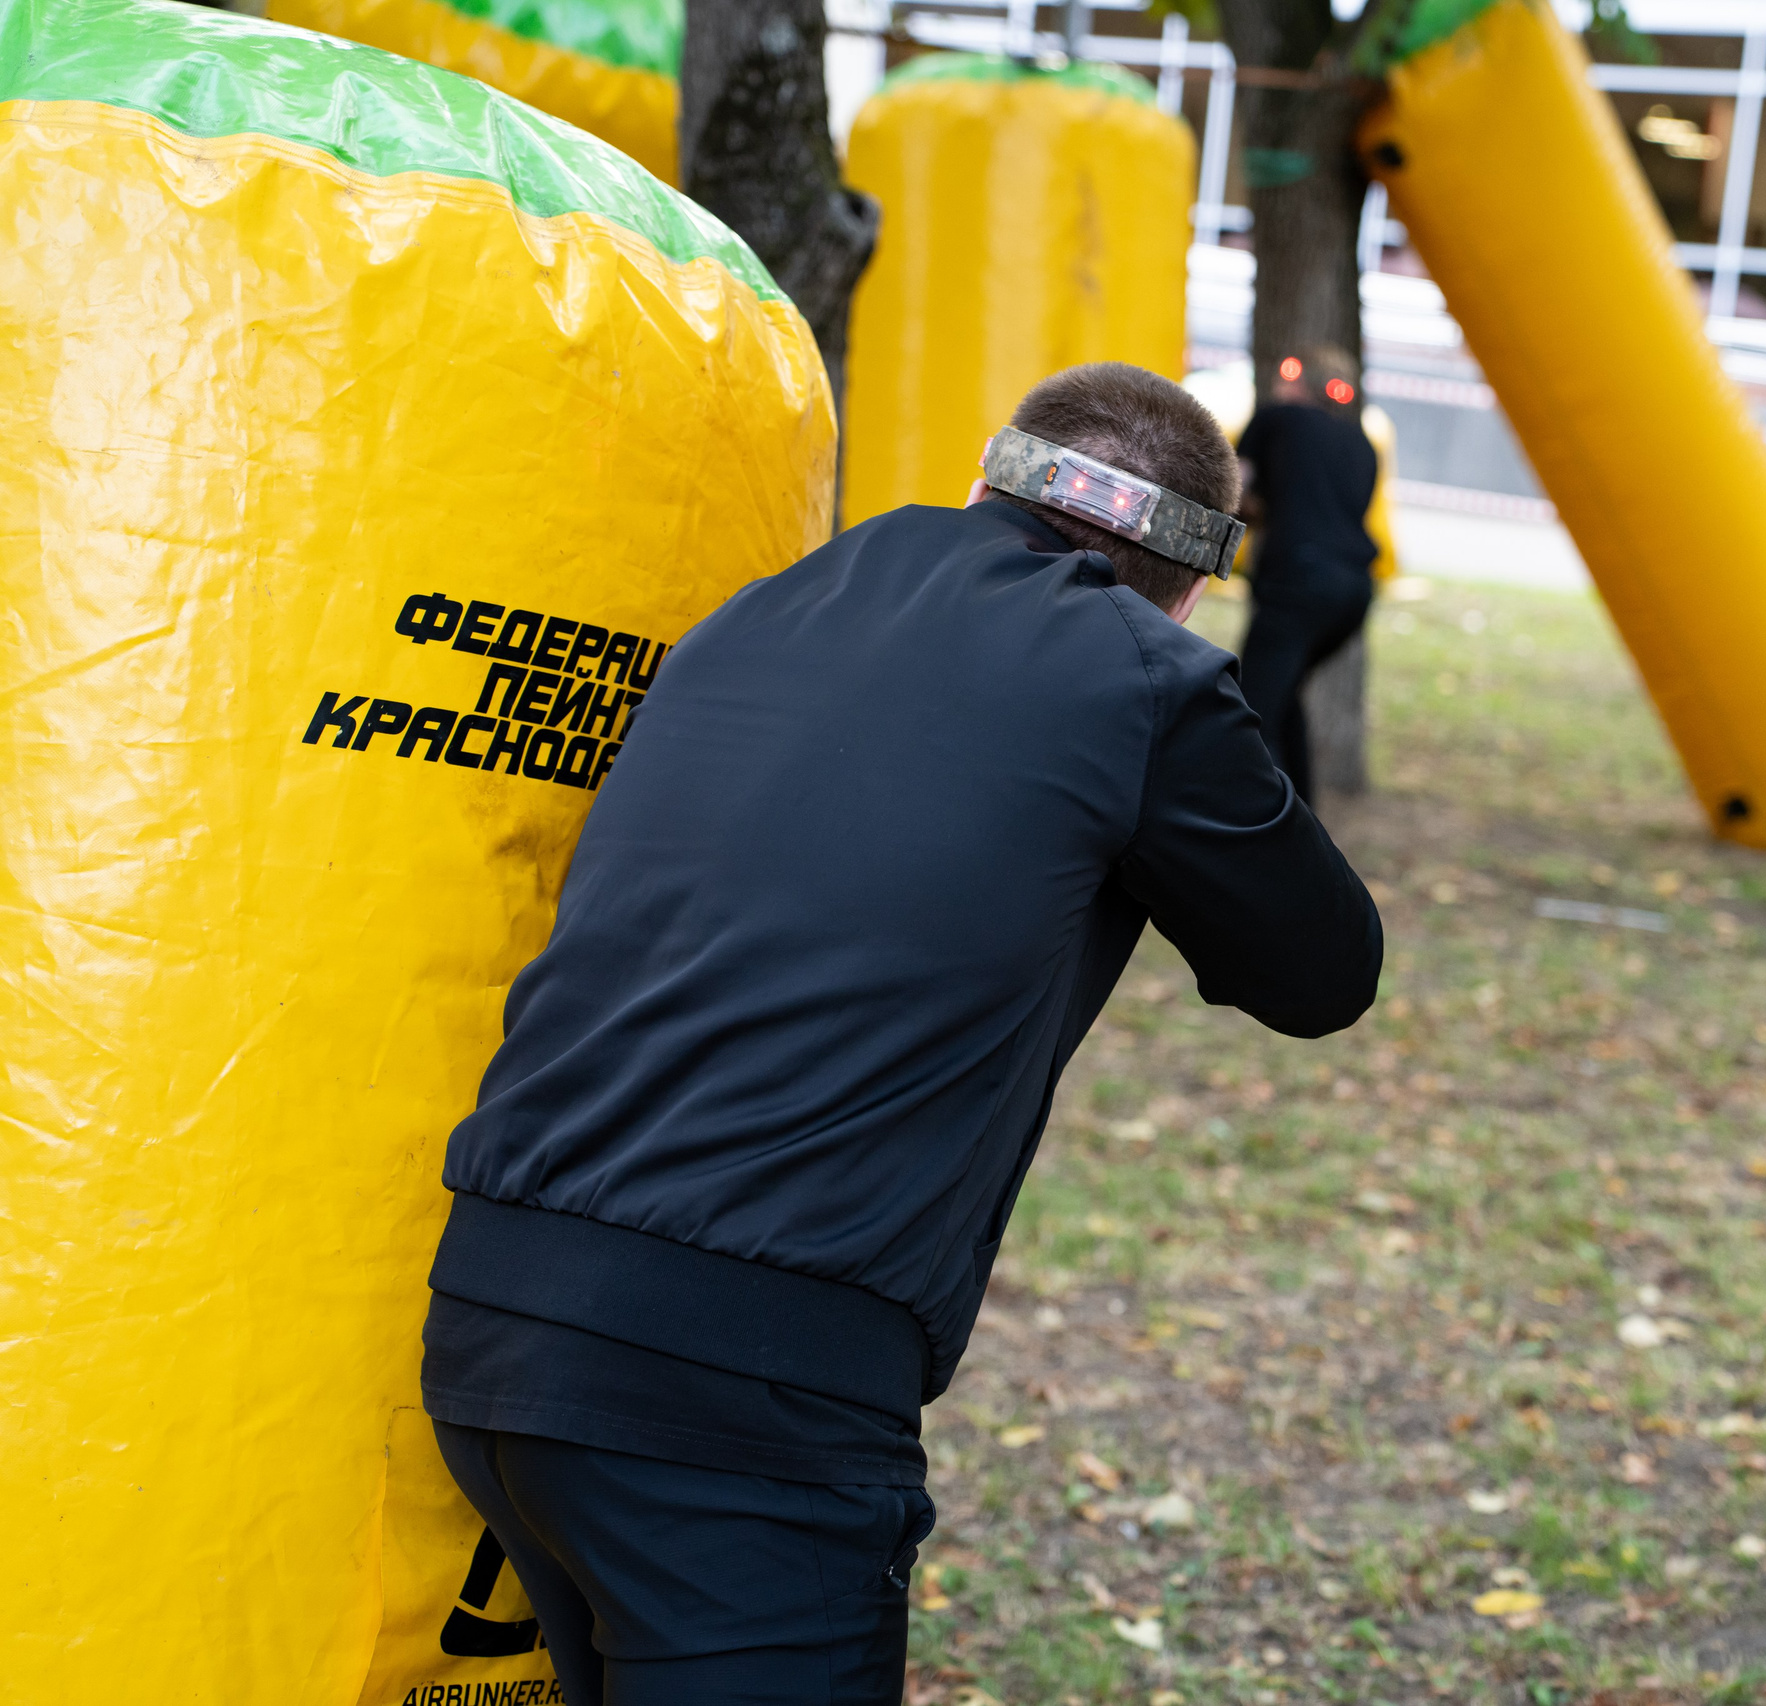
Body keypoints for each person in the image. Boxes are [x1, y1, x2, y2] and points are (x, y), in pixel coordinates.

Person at [418, 362, 1382, 1704]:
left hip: (494, 1317)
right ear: (1188, 582)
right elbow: (1325, 968)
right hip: (745, 1382)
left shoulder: (763, 611)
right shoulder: (1140, 675)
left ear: (985, 486)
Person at [1235, 346, 1380, 799]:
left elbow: (1233, 492)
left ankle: (1266, 828)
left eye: (1286, 374)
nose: (1280, 383)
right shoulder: (1363, 445)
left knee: (1250, 711)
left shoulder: (1277, 418)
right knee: (1281, 696)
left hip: (1300, 582)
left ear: (1298, 382)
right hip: (1354, 592)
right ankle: (1304, 814)